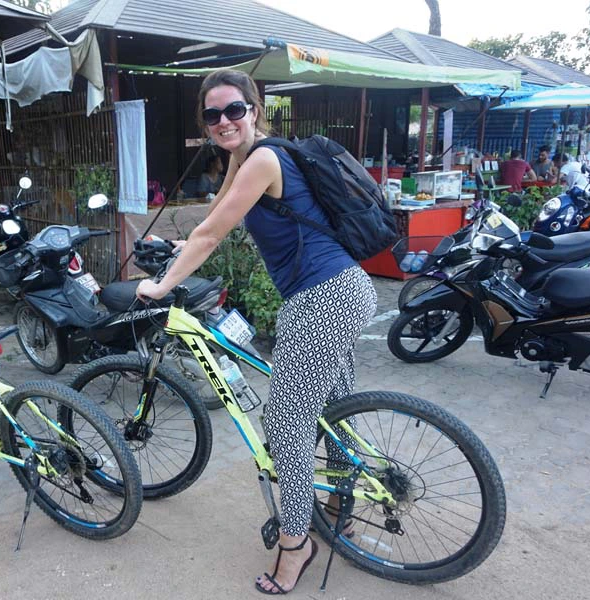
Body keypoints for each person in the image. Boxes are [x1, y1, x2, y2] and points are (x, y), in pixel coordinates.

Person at [135, 69, 377, 595]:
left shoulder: (264, 158)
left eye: (234, 110)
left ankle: (296, 542)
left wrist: (160, 287)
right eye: (213, 114)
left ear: (254, 108)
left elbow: (211, 232)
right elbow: (218, 214)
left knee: (285, 418)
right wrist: (181, 251)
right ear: (206, 122)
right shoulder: (245, 158)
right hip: (345, 288)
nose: (224, 121)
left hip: (323, 296)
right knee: (333, 405)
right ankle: (341, 506)